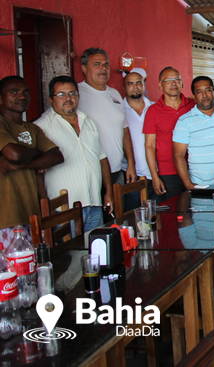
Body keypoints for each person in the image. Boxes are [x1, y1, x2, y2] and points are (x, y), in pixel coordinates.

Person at [36, 76, 113, 232]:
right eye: (61, 94)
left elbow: (102, 159)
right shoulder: (41, 127)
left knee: (95, 252)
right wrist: (45, 205)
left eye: (72, 93)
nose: (68, 98)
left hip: (94, 203)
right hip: (64, 209)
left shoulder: (89, 122)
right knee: (69, 254)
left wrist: (108, 193)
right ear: (51, 99)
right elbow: (36, 170)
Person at [0, 76, 63, 243]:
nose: (22, 96)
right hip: (6, 217)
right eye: (14, 92)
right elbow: (14, 154)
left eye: (25, 92)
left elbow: (57, 156)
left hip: (32, 213)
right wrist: (38, 154)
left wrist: (21, 164)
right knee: (13, 268)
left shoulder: (32, 128)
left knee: (37, 265)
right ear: (0, 98)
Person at [76, 48, 136, 201]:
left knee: (118, 218)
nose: (103, 68)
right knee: (98, 220)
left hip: (117, 170)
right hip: (92, 172)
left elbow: (125, 131)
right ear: (84, 68)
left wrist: (130, 163)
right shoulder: (77, 94)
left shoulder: (114, 94)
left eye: (106, 65)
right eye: (97, 64)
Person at [143, 67, 195, 203]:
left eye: (177, 79)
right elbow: (149, 145)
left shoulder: (193, 105)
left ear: (182, 83)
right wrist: (154, 176)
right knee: (173, 215)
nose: (173, 83)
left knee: (198, 211)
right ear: (160, 85)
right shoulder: (153, 111)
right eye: (168, 80)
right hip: (168, 173)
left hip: (195, 169)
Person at [172, 76, 214, 188]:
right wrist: (188, 184)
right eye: (199, 92)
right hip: (201, 186)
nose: (205, 95)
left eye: (207, 90)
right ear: (193, 96)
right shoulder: (184, 121)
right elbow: (178, 155)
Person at [121, 68, 153, 209]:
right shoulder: (118, 110)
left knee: (157, 220)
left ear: (144, 85)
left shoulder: (154, 107)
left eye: (139, 83)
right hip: (131, 175)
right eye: (130, 83)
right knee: (134, 219)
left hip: (155, 175)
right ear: (124, 87)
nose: (135, 87)